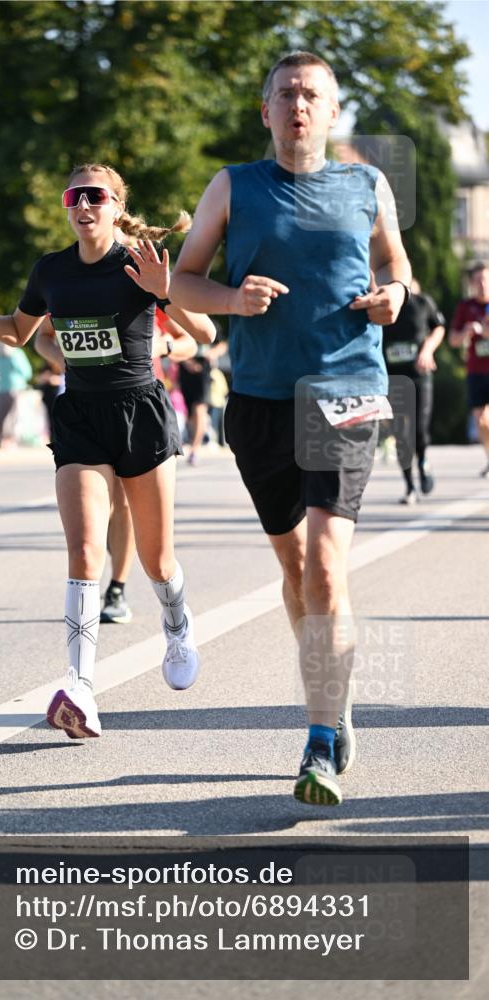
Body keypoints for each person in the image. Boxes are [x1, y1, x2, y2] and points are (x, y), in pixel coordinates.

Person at [170, 51, 411, 806]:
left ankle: (317, 742)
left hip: (346, 387)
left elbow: (398, 268)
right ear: (264, 108)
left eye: (312, 95)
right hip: (259, 397)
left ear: (333, 111)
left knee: (327, 564)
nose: (298, 105)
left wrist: (392, 298)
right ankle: (332, 696)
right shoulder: (232, 185)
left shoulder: (366, 184)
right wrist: (231, 302)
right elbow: (181, 281)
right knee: (293, 566)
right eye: (285, 94)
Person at [0, 162, 216, 740]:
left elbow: (207, 335)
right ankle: (80, 687)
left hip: (139, 412)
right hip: (81, 419)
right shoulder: (52, 270)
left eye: (96, 195)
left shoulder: (139, 261)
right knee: (86, 547)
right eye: (74, 195)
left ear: (116, 206)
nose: (83, 204)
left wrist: (168, 292)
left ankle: (176, 621)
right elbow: (19, 332)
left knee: (157, 561)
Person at [34, 304, 200, 625]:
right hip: (85, 409)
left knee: (123, 504)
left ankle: (117, 588)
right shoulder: (74, 284)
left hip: (136, 405)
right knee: (97, 511)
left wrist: (161, 345)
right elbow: (42, 337)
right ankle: (93, 580)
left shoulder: (145, 288)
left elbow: (191, 340)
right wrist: (63, 357)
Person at [382, 278, 445, 503]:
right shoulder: (381, 305)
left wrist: (427, 350)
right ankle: (409, 486)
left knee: (418, 429)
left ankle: (423, 461)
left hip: (420, 375)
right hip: (393, 377)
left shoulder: (422, 302)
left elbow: (438, 327)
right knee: (400, 433)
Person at [449, 262, 489, 477]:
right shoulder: (466, 307)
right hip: (476, 369)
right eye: (478, 280)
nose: (482, 284)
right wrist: (466, 331)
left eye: (485, 279)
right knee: (481, 418)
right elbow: (453, 340)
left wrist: (484, 331)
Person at [0, 341, 33, 448]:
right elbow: (27, 373)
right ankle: (10, 440)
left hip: (1, 389)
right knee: (13, 416)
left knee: (1, 416)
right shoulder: (17, 354)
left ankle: (0, 439)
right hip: (16, 388)